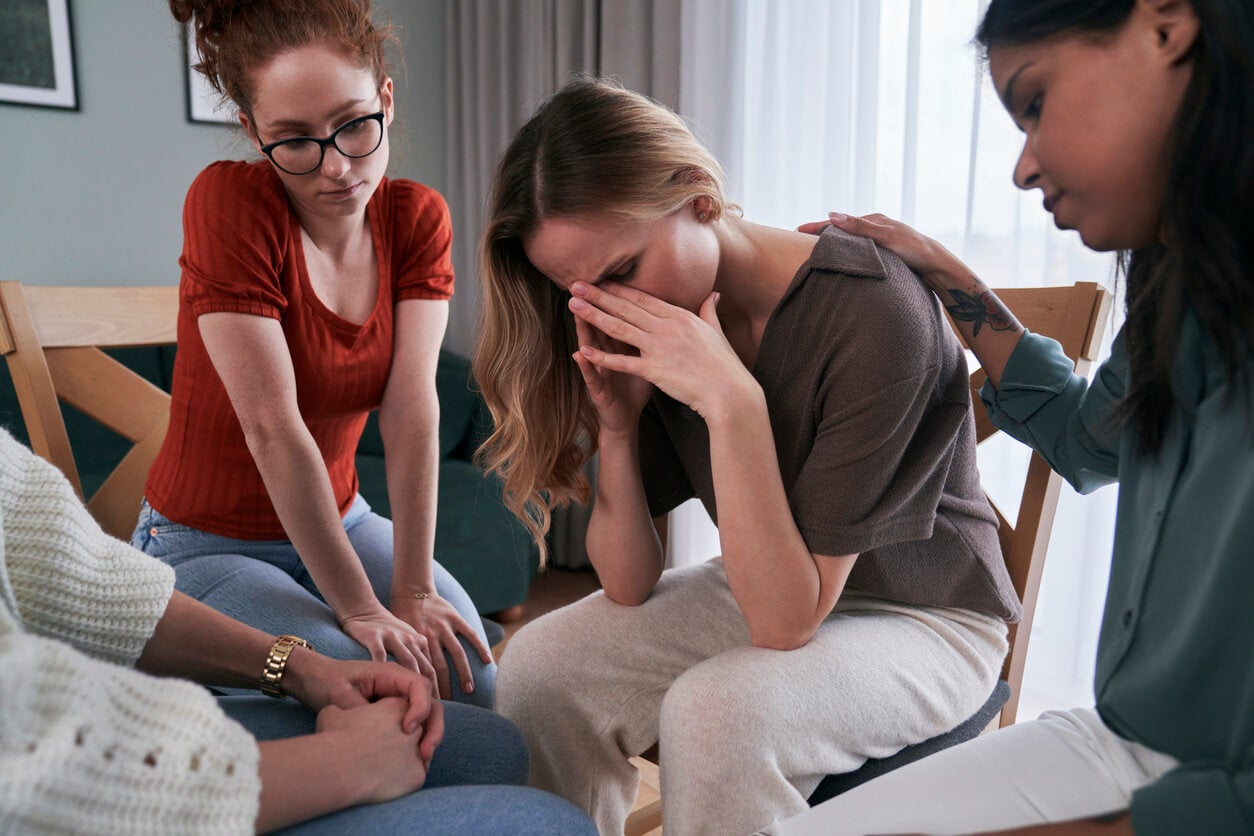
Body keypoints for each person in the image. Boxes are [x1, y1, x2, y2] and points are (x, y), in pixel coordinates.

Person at [473, 77, 1024, 835]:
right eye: (579, 291)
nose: (610, 309)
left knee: (719, 714)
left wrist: (731, 403)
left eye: (621, 271)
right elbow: (628, 584)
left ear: (699, 196)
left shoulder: (873, 308)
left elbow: (784, 624)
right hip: (775, 583)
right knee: (537, 669)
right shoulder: (667, 318)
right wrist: (620, 433)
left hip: (928, 616)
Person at [773, 1, 1253, 834]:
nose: (1022, 170)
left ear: (1166, 25)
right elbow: (1086, 438)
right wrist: (943, 271)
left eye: (1035, 103)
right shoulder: (1185, 287)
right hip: (1123, 740)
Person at [134, 0, 494, 708]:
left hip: (342, 517)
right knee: (371, 689)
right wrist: (363, 611)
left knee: (470, 680)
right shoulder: (229, 205)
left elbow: (413, 408)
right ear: (251, 132)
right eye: (294, 140)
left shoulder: (417, 219)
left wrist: (413, 591)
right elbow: (273, 427)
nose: (336, 168)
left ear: (385, 99)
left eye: (355, 124)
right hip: (202, 543)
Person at [0, 429, 597, 834]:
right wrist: (341, 763)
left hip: (92, 712)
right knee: (551, 825)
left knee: (489, 736)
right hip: (98, 784)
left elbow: (87, 581)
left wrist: (302, 669)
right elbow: (35, 781)